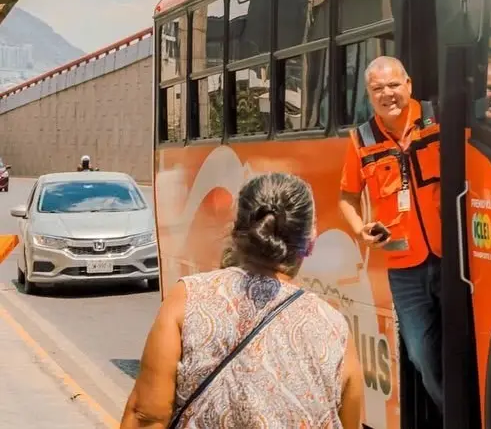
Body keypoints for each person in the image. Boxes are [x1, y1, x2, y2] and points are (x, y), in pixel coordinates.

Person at [121, 173, 364, 429]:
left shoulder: (189, 297)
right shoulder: (334, 328)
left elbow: (147, 416)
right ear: (310, 242)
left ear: (236, 230)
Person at [338, 55, 444, 411]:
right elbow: (347, 198)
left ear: (409, 85)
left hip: (453, 258)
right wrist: (359, 229)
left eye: (394, 85)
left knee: (467, 344)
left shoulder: (438, 118)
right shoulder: (362, 139)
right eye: (378, 88)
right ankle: (452, 415)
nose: (388, 94)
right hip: (405, 267)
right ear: (369, 94)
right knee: (419, 353)